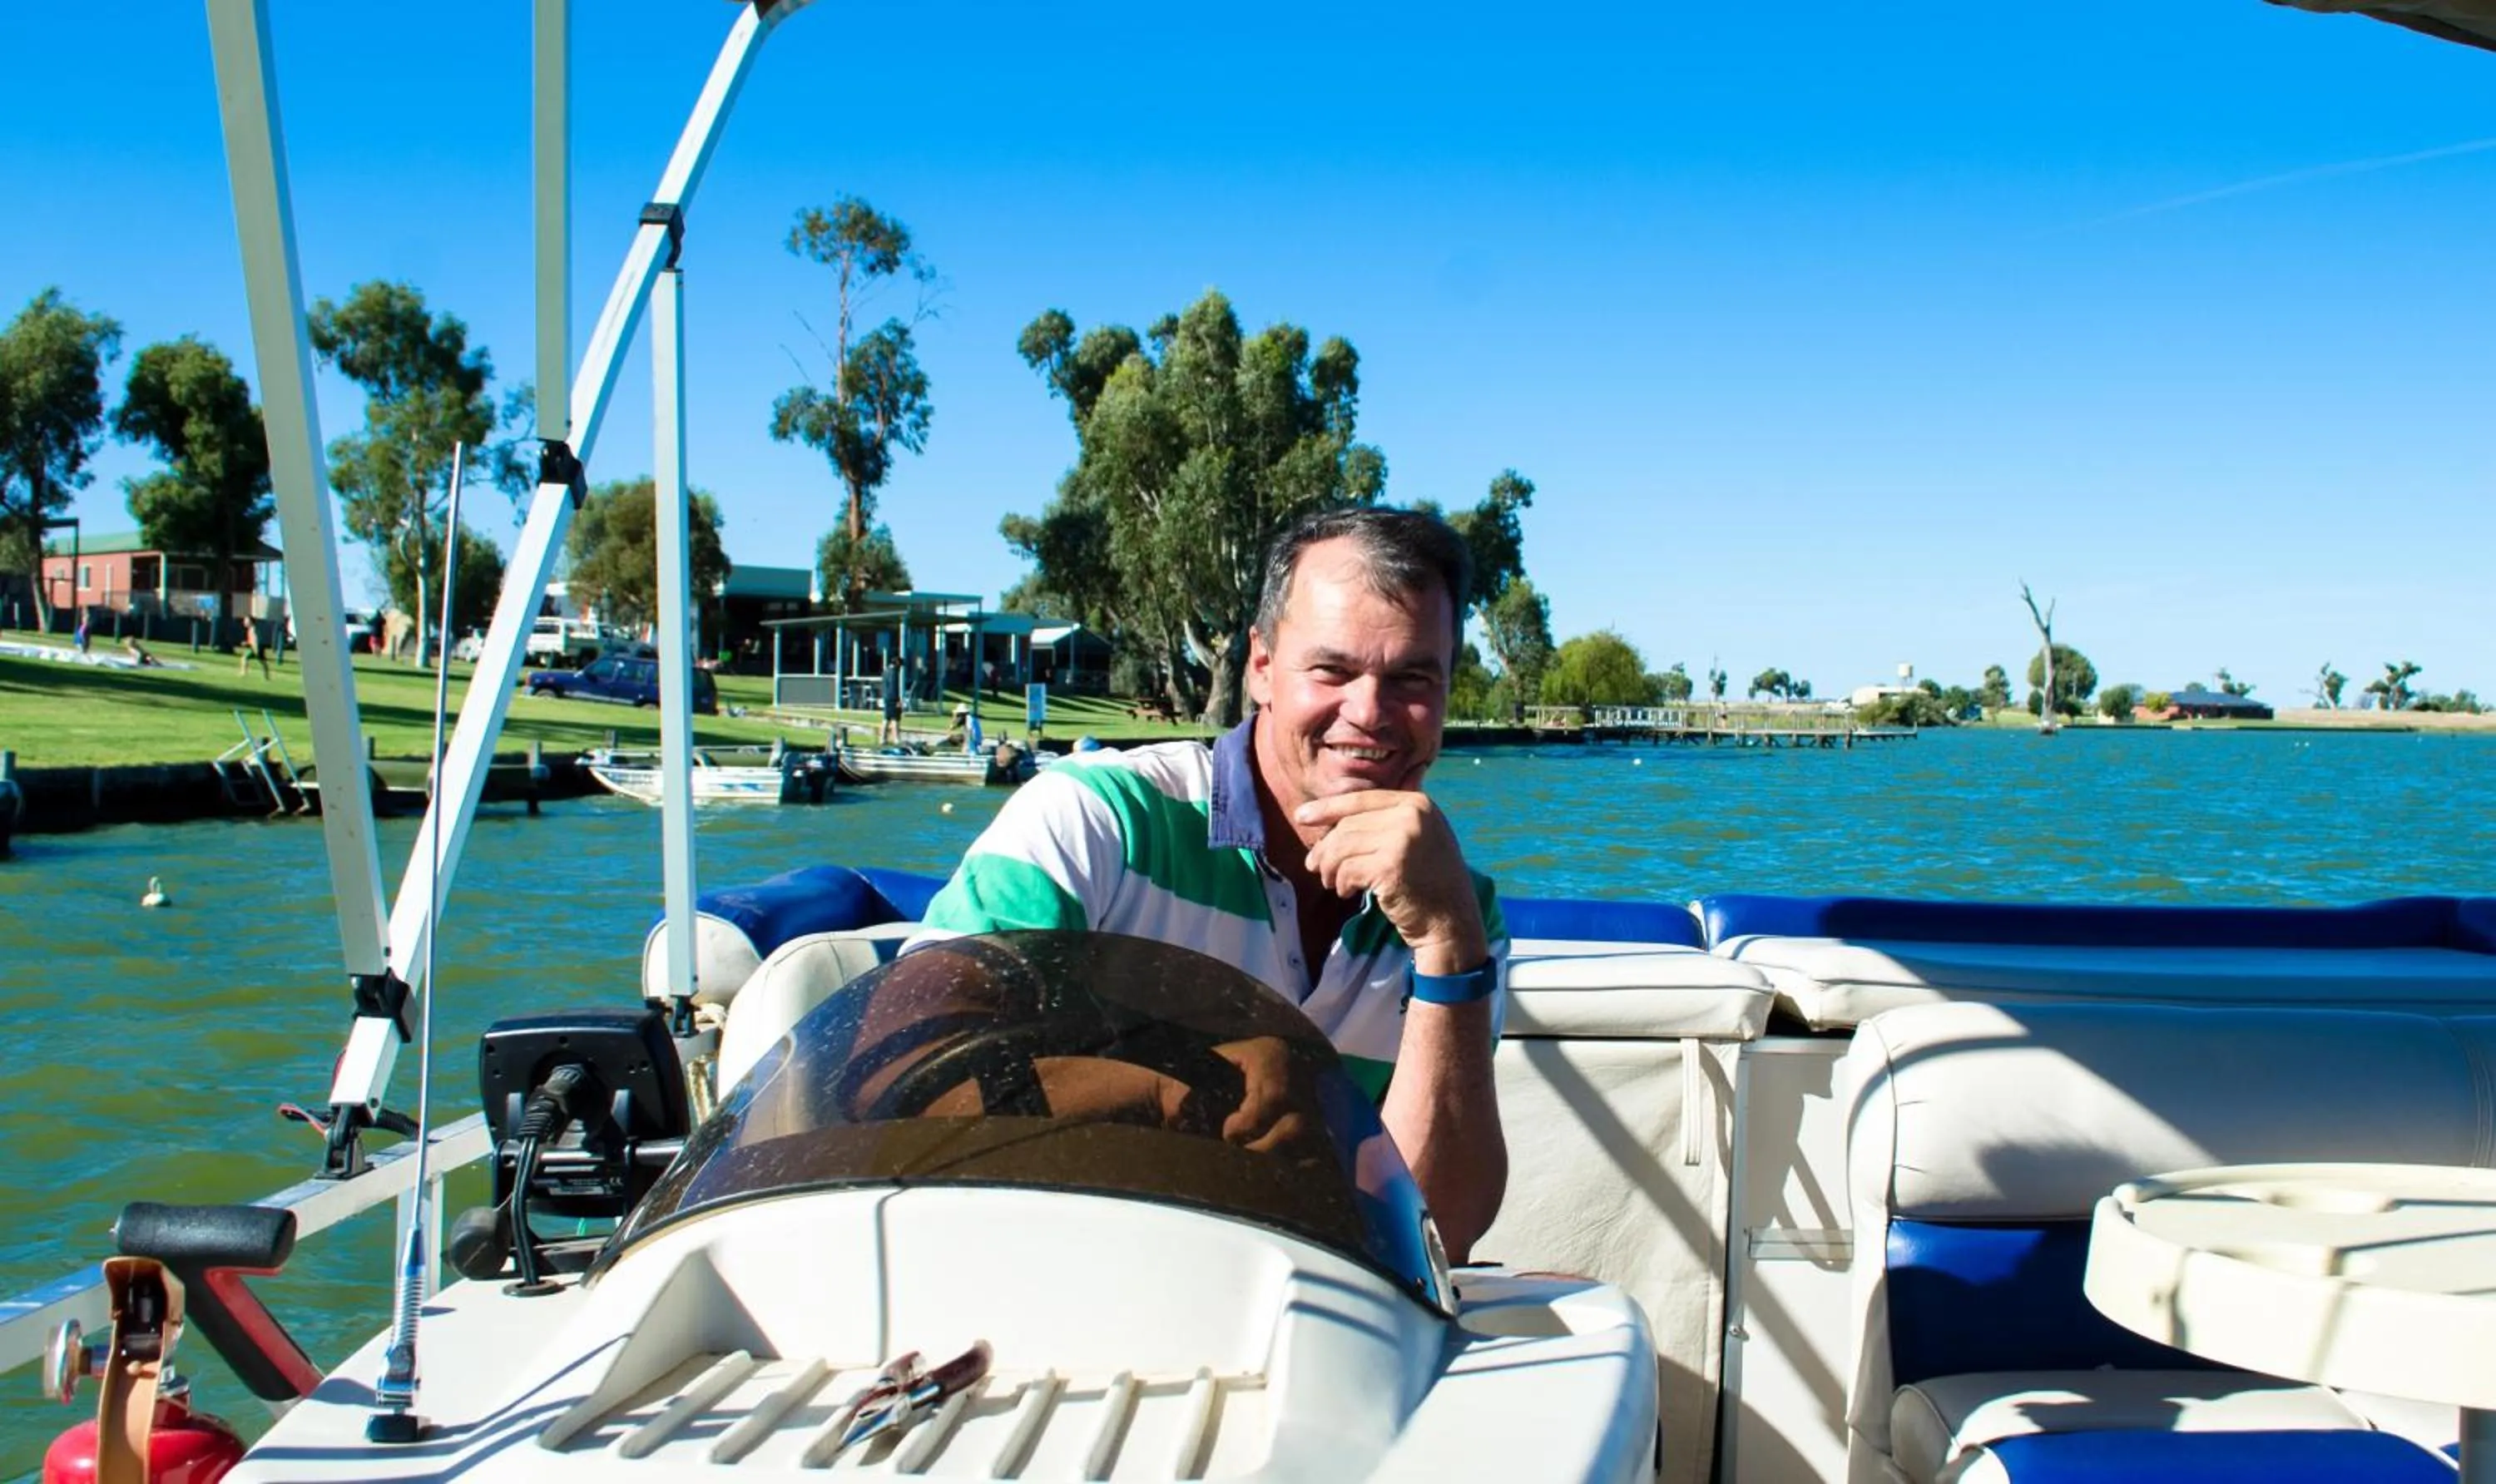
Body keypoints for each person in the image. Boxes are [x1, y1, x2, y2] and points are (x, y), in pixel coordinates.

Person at [909, 507, 1508, 1260]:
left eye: (1413, 678)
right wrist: (1180, 1088)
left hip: (1303, 1306)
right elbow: (905, 1077)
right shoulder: (1097, 820)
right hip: (1044, 1273)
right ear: (1261, 666)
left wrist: (1447, 945)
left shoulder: (1457, 911)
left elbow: (1437, 1232)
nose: (1370, 713)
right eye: (1332, 670)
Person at [235, 616, 270, 680]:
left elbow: (254, 640)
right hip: (254, 647)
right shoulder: (251, 629)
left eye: (246, 621)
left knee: (262, 662)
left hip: (256, 647)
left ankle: (244, 673)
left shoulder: (253, 629)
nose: (245, 622)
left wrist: (248, 644)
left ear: (251, 622)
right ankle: (266, 677)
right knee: (245, 658)